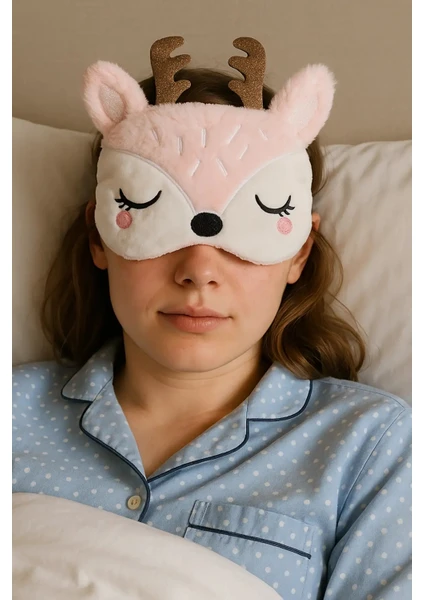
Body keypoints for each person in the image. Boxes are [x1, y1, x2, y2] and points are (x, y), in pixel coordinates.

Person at [13, 37, 411, 600]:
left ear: (299, 252)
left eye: (250, 226)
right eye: (153, 216)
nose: (199, 272)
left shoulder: (367, 446)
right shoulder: (12, 413)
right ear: (99, 235)